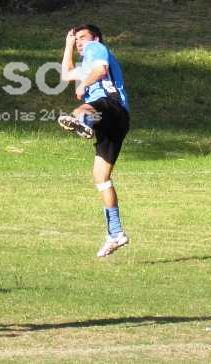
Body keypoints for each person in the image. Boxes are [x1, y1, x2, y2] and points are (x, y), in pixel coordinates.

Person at [58, 24, 131, 257]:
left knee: (82, 109)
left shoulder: (96, 48)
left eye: (82, 37)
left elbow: (101, 70)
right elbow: (66, 74)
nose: (80, 42)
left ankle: (85, 124)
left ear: (96, 38)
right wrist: (68, 45)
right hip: (116, 122)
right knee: (101, 177)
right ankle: (116, 233)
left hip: (111, 106)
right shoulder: (85, 64)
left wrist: (84, 84)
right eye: (77, 39)